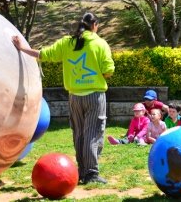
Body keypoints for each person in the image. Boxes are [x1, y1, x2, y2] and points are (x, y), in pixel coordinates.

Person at [12, 12, 114, 185]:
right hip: (94, 96)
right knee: (93, 134)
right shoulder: (100, 43)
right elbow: (108, 70)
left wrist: (22, 48)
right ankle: (91, 174)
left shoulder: (67, 43)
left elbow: (44, 54)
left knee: (80, 134)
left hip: (74, 96)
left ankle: (83, 171)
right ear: (94, 25)